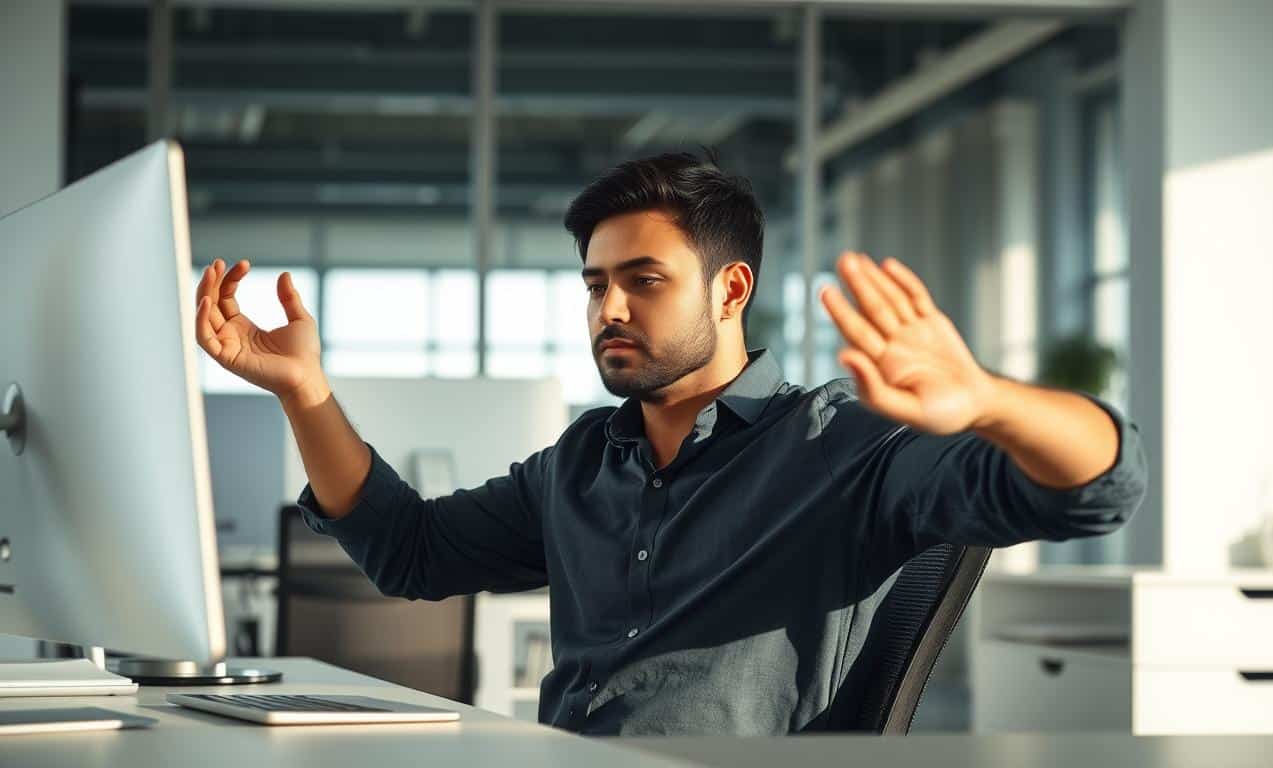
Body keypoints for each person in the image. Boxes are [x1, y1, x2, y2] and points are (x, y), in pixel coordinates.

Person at [195, 152, 1147, 736]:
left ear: (730, 291)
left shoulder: (842, 447)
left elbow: (1101, 485)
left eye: (642, 279)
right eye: (595, 283)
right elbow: (409, 552)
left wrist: (988, 402)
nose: (607, 307)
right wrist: (303, 391)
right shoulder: (580, 462)